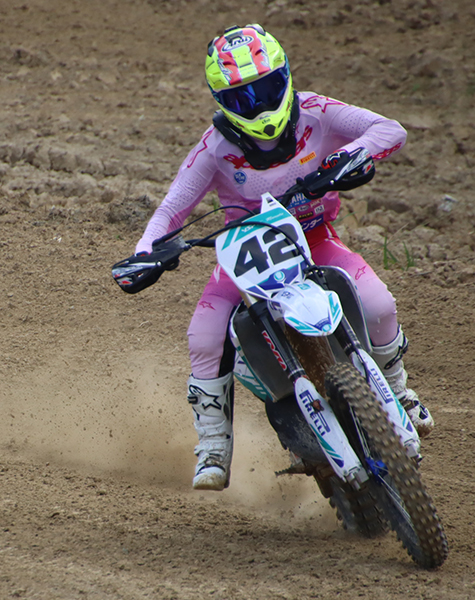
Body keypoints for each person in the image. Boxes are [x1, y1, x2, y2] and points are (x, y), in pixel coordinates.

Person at [134, 24, 434, 491]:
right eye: (242, 98)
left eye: (267, 89)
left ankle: (398, 390)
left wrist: (347, 158)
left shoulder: (317, 112)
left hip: (314, 239)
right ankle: (213, 443)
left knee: (379, 305)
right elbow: (172, 209)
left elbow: (389, 130)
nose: (258, 106)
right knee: (205, 334)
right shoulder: (214, 148)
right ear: (221, 101)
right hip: (245, 257)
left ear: (286, 77)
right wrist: (145, 254)